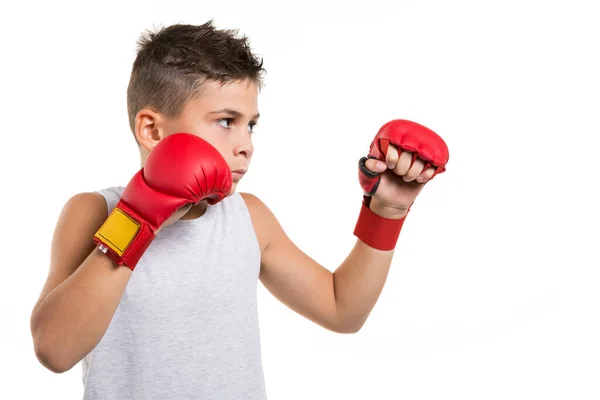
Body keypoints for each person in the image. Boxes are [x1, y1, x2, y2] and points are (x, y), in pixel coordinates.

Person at [29, 20, 449, 399]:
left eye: (251, 123)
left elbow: (343, 310)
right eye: (226, 120)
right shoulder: (96, 212)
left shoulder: (246, 218)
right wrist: (138, 220)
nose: (246, 143)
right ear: (152, 129)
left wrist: (385, 212)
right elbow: (55, 350)